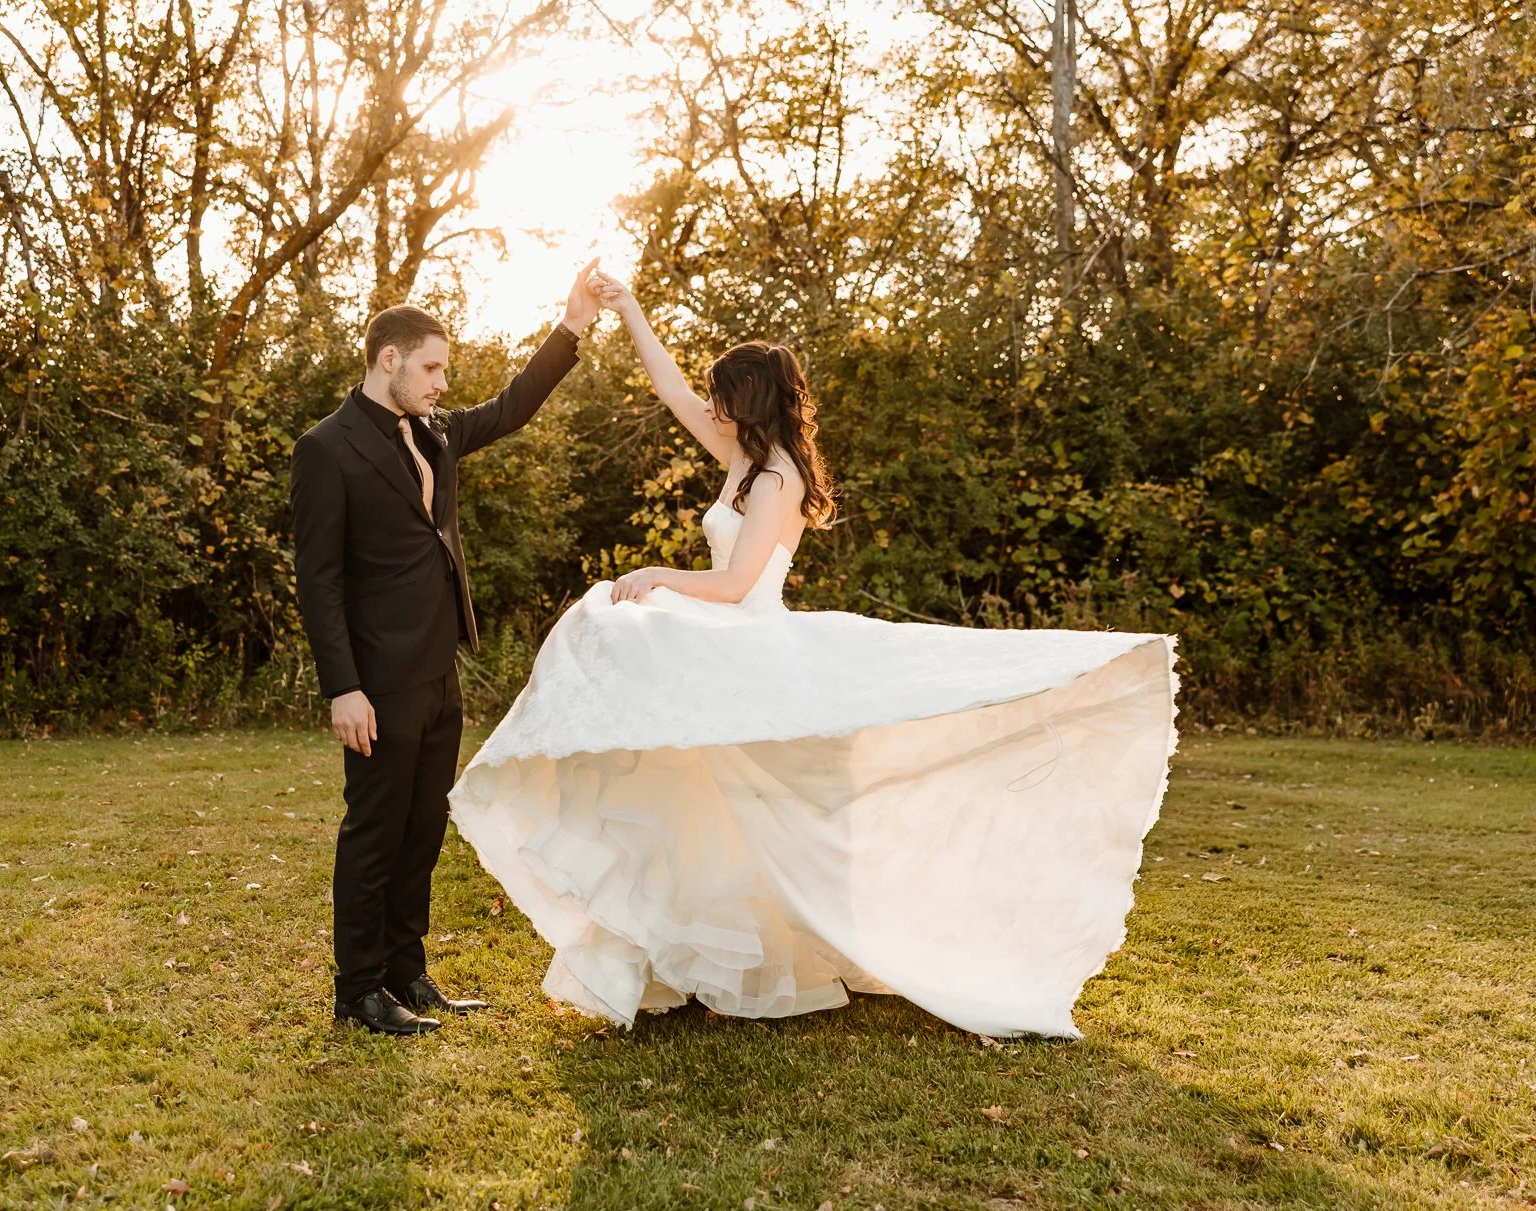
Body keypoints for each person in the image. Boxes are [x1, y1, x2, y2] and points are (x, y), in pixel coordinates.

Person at [447, 268, 1180, 1037]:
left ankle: (775, 952)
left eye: (723, 395)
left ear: (750, 401)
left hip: (755, 641)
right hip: (725, 646)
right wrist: (629, 310)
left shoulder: (777, 477)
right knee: (697, 789)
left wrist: (656, 575)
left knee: (760, 801)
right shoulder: (740, 456)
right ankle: (689, 952)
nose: (712, 406)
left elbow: (735, 584)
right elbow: (669, 391)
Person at [290, 261, 602, 1035]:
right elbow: (319, 580)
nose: (441, 382)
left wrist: (572, 326)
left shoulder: (433, 430)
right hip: (377, 681)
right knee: (375, 831)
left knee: (423, 825)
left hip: (438, 669)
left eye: (445, 370)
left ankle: (405, 972)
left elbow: (512, 407)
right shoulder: (326, 449)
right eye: (430, 367)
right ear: (387, 359)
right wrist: (343, 688)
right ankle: (358, 988)